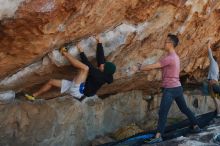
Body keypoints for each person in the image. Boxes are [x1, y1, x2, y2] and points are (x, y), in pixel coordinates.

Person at [133, 34, 201, 144]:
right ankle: (195, 125)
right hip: (177, 87)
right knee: (184, 109)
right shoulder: (175, 57)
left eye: (166, 42)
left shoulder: (170, 58)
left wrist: (139, 68)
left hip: (170, 89)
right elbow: (157, 65)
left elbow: (155, 65)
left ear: (170, 44)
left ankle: (158, 136)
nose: (164, 44)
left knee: (163, 112)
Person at [25, 36, 116, 101]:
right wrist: (99, 42)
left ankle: (64, 52)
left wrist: (81, 51)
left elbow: (88, 65)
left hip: (79, 91)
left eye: (103, 66)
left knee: (85, 68)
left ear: (104, 70)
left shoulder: (99, 76)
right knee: (51, 81)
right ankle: (33, 96)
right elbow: (101, 59)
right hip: (76, 87)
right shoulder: (104, 72)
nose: (101, 65)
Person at [207, 41, 220, 117]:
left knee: (216, 100)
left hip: (212, 84)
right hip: (216, 83)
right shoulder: (217, 68)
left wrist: (208, 45)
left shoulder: (213, 63)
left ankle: (218, 114)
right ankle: (218, 113)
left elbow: (210, 54)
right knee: (217, 100)